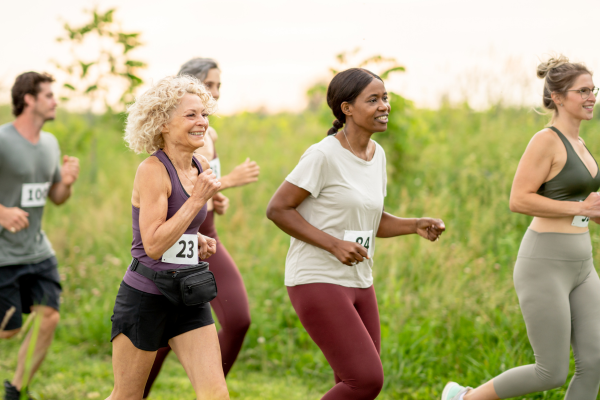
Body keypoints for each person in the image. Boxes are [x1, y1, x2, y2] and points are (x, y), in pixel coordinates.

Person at [266, 68, 445, 400]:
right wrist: (334, 245)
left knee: (353, 386)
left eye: (385, 98)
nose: (384, 106)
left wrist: (413, 224)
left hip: (361, 281)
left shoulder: (377, 156)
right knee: (365, 380)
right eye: (373, 100)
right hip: (317, 279)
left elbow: (368, 220)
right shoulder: (323, 155)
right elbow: (278, 209)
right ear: (346, 108)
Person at [442, 55, 600, 400]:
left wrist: (591, 209)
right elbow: (519, 200)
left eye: (594, 89)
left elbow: (579, 201)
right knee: (551, 371)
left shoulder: (581, 145)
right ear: (558, 97)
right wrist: (580, 207)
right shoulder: (545, 140)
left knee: (595, 361)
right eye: (582, 91)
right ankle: (463, 398)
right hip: (545, 263)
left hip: (583, 264)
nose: (591, 97)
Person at [106, 75, 229, 400]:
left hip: (188, 294)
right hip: (146, 297)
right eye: (191, 115)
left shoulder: (199, 165)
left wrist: (195, 237)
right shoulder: (152, 170)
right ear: (162, 123)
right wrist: (196, 201)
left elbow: (176, 227)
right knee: (127, 396)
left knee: (216, 395)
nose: (202, 122)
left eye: (204, 114)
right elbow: (155, 244)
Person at [143, 58, 259, 399]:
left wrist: (217, 199)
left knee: (237, 320)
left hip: (208, 236)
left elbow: (204, 187)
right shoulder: (174, 140)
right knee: (164, 332)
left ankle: (209, 385)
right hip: (175, 242)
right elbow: (176, 193)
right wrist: (230, 181)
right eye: (209, 86)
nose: (215, 94)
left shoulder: (211, 135)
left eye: (218, 87)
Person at [0, 72, 80, 400]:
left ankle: (16, 390)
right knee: (9, 330)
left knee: (49, 316)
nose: (55, 100)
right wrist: (2, 213)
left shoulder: (50, 143)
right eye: (48, 95)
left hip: (36, 250)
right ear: (29, 99)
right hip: (3, 255)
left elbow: (56, 198)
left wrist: (68, 183)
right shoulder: (3, 140)